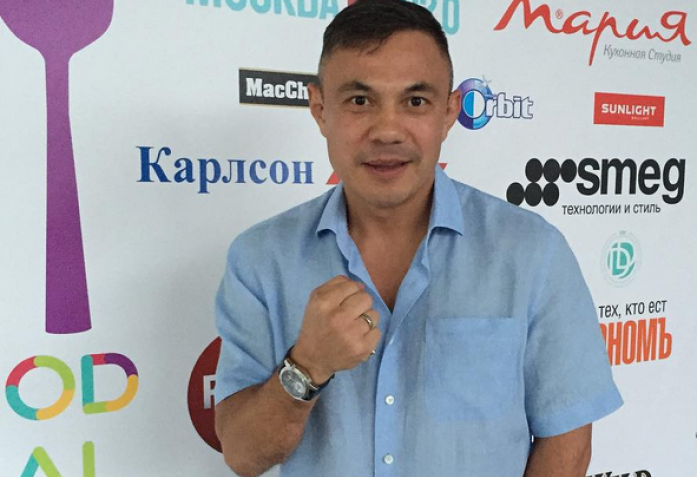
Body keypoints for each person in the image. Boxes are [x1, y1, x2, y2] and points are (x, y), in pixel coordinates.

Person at [213, 1, 622, 476]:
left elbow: (567, 443)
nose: (388, 130)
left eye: (415, 102)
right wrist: (305, 367)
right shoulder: (260, 258)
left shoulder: (532, 252)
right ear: (320, 109)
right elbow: (242, 454)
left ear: (449, 112)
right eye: (360, 101)